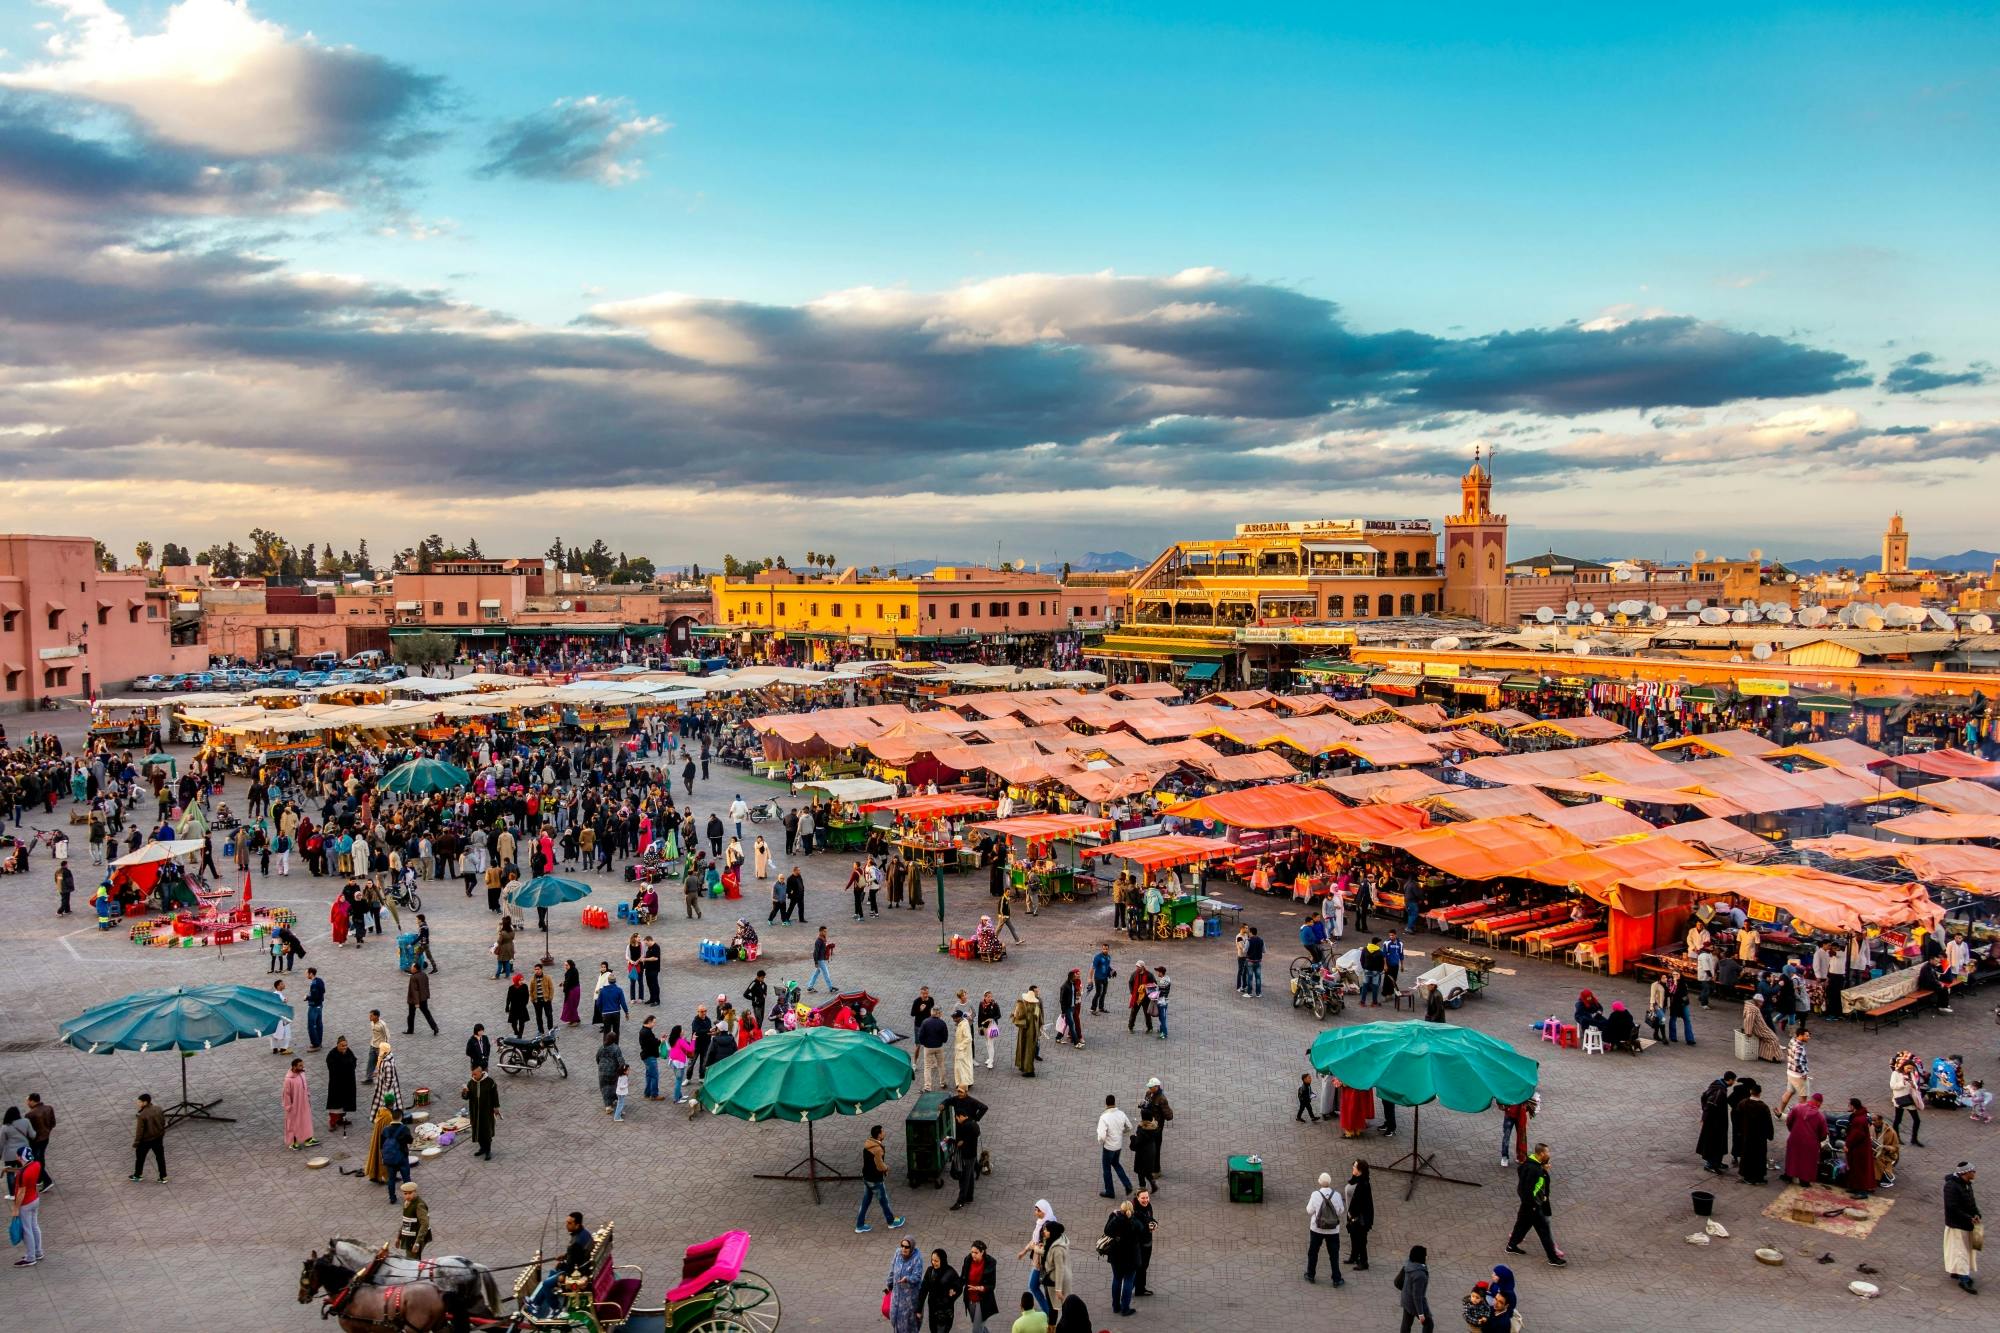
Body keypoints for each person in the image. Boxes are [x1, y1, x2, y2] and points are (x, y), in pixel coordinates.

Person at [1505, 1143, 1566, 1265]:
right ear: (1541, 1154)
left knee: (1522, 1225)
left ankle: (1511, 1246)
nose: (1549, 1154)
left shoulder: (1529, 1164)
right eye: (1547, 1152)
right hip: (1533, 1205)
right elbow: (1528, 1189)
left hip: (1527, 1204)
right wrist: (1533, 1203)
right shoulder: (1536, 1170)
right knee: (1544, 1231)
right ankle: (1553, 1258)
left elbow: (1522, 1175)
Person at [855, 1124, 904, 1233]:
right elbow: (879, 1165)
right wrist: (886, 1168)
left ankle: (859, 1225)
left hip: (867, 1177)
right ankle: (891, 1222)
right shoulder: (877, 1149)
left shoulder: (868, 1144)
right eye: (883, 1132)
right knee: (884, 1201)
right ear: (878, 1135)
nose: (884, 1133)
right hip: (875, 1179)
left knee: (865, 1202)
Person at [1305, 1169, 1346, 1285]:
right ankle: (1336, 1279)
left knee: (1313, 1252)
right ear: (1330, 1182)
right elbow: (1340, 1211)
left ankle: (1311, 1274)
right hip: (1333, 1230)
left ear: (1319, 1182)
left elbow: (1309, 1211)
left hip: (1316, 1229)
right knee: (1334, 1255)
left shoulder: (1315, 1194)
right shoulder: (1337, 1195)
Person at [1944, 1162, 1981, 1295]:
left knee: (1964, 1249)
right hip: (1957, 1225)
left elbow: (1972, 1202)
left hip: (1968, 1223)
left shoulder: (1966, 1184)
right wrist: (1968, 1218)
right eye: (1973, 1171)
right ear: (1966, 1172)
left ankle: (1956, 1272)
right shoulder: (1951, 1187)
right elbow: (1952, 1207)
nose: (1975, 1173)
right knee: (1961, 1252)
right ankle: (1964, 1279)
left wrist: (1977, 1214)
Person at [1101, 1199, 1140, 1316]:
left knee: (1117, 1279)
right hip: (1131, 1257)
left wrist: (1112, 1215)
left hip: (1116, 1256)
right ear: (1131, 1210)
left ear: (1121, 1210)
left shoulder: (1115, 1220)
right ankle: (1125, 1308)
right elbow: (1142, 1230)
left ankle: (1115, 1306)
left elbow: (1106, 1231)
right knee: (1128, 1281)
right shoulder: (1134, 1221)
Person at [1732, 1083, 1774, 1186]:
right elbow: (1768, 1123)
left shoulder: (1743, 1103)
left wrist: (1738, 1130)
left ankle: (1748, 1176)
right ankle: (1759, 1176)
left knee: (1747, 1155)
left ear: (1751, 1092)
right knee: (1759, 1157)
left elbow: (1736, 1117)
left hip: (1747, 1135)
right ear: (1759, 1093)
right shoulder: (1763, 1107)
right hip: (1760, 1137)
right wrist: (1770, 1135)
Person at [1781, 1092, 1827, 1184]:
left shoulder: (1797, 1107)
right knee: (1807, 1162)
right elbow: (1823, 1134)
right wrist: (1818, 1140)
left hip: (1795, 1139)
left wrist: (1793, 1131)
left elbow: (1789, 1121)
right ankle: (1804, 1181)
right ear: (1818, 1103)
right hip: (1810, 1143)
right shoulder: (1820, 1116)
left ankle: (1789, 1176)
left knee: (1793, 1158)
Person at [9, 1146, 42, 1267]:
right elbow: (23, 1170)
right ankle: (38, 1252)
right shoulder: (36, 1165)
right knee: (34, 1227)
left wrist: (15, 1209)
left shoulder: (22, 1174)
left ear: (19, 1157)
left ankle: (30, 1257)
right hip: (35, 1199)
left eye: (17, 1155)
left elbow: (21, 1192)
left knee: (27, 1231)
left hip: (26, 1204)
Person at [1697, 1072, 1737, 1174]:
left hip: (1718, 1121)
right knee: (1714, 1143)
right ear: (1730, 1080)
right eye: (1733, 1080)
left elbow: (1704, 1096)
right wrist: (1705, 1117)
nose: (1734, 1082)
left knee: (1719, 1142)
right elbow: (1711, 1104)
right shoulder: (1720, 1091)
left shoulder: (1718, 1085)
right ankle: (1710, 1164)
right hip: (1714, 1123)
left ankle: (1717, 1162)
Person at [917, 1247, 964, 1333]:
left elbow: (959, 1286)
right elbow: (923, 1291)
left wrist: (953, 1293)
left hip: (945, 1311)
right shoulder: (930, 1271)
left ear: (942, 1260)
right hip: (933, 1309)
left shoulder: (950, 1272)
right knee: (933, 1330)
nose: (933, 1263)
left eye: (936, 1261)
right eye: (932, 1260)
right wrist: (919, 1309)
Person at [960, 1240, 1000, 1333]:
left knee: (976, 1330)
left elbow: (992, 1285)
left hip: (983, 1300)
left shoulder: (990, 1263)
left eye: (976, 1253)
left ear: (982, 1252)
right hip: (970, 1299)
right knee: (978, 1326)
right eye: (972, 1252)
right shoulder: (968, 1260)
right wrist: (954, 1288)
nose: (973, 1255)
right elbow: (962, 1278)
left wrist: (981, 1288)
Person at [462, 1064, 500, 1159]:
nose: (473, 1076)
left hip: (486, 1111)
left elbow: (495, 1095)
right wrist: (465, 1092)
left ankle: (488, 1151)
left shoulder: (489, 1082)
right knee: (477, 1130)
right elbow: (466, 1097)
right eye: (472, 1074)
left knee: (486, 1131)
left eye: (475, 1074)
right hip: (475, 1112)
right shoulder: (471, 1083)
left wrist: (496, 1107)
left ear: (480, 1072)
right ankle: (482, 1148)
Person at [1843, 1098, 1878, 1197]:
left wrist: (1847, 1144)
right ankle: (1855, 1187)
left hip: (1859, 1149)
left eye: (1849, 1105)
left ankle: (1862, 1192)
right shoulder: (1860, 1116)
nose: (1848, 1107)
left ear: (1853, 1106)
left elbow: (1856, 1134)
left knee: (1859, 1169)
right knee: (1855, 1168)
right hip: (1859, 1147)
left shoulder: (1858, 1120)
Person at [1395, 1244, 1433, 1332]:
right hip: (1413, 1303)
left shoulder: (1408, 1264)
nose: (1426, 1257)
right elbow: (1417, 1296)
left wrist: (1406, 1290)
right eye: (1425, 1255)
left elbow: (1397, 1282)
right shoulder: (1420, 1275)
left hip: (1406, 1299)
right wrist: (1421, 1314)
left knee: (1406, 1323)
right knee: (1429, 1324)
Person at [282, 1057, 317, 1151]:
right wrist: (288, 1107)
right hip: (294, 1106)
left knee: (306, 1120)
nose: (302, 1067)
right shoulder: (288, 1079)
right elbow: (286, 1094)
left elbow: (306, 1086)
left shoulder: (302, 1074)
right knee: (293, 1123)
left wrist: (308, 1096)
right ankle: (293, 1142)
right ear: (294, 1067)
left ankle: (308, 1139)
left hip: (304, 1103)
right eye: (300, 1065)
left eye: (302, 1065)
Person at [1345, 1159, 1375, 1271]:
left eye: (1355, 1166)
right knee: (1353, 1236)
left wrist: (1353, 1215)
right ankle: (1353, 1257)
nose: (1353, 1167)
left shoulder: (1364, 1185)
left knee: (1361, 1240)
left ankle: (1364, 1262)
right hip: (1352, 1215)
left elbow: (1361, 1204)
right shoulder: (1356, 1180)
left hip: (1360, 1218)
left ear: (1360, 1170)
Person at [325, 1036, 358, 1135]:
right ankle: (333, 1122)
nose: (344, 1047)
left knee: (345, 1103)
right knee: (335, 1104)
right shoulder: (332, 1054)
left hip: (347, 1083)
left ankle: (341, 1119)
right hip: (337, 1084)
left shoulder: (349, 1052)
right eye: (342, 1045)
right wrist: (344, 1061)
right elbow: (333, 1067)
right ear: (337, 1045)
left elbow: (354, 1061)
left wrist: (347, 1061)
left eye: (346, 1045)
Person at [131, 1092, 166, 1182]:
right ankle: (163, 1177)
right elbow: (163, 1122)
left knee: (140, 1158)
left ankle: (138, 1175)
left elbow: (139, 1131)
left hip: (146, 1140)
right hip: (158, 1138)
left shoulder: (142, 1115)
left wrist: (136, 1143)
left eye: (139, 1102)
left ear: (145, 1102)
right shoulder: (158, 1109)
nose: (137, 1103)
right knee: (160, 1157)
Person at [1011, 987, 1042, 1078]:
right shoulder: (1036, 1007)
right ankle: (1025, 1067)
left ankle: (1029, 1070)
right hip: (1032, 1032)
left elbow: (1022, 1018)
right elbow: (1038, 1019)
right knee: (1028, 1050)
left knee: (1027, 1050)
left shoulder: (1027, 1007)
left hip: (1027, 1031)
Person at [1779, 1029, 1812, 1112]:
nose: (1809, 1037)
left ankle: (1779, 1111)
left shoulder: (1792, 1040)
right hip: (1798, 1076)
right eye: (1807, 1036)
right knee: (1803, 1098)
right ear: (1800, 1036)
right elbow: (1798, 1063)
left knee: (1789, 1092)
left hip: (1790, 1072)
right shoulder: (1799, 1047)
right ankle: (1798, 1115)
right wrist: (1804, 1073)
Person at [1739, 997, 1780, 1062]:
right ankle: (1774, 1057)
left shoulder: (1749, 1007)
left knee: (1772, 1038)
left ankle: (1765, 1055)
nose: (1762, 1004)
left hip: (1759, 1028)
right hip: (1760, 1029)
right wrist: (1748, 1032)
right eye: (1761, 1002)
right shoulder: (1753, 1009)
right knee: (1774, 1039)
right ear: (1757, 1002)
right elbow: (1749, 1020)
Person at [596, 1031, 625, 1115]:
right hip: (612, 1071)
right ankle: (614, 1100)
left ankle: (608, 1106)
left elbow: (597, 1058)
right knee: (613, 1087)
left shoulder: (601, 1047)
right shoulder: (616, 1048)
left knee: (604, 1088)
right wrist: (622, 1070)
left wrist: (601, 1066)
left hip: (602, 1071)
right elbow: (621, 1061)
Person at [406, 963, 438, 1035]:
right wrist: (427, 995)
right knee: (427, 1014)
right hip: (423, 998)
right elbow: (426, 986)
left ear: (415, 969)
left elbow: (415, 991)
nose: (411, 968)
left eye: (412, 967)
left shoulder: (413, 977)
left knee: (411, 1015)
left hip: (414, 1000)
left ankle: (410, 1030)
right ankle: (435, 1027)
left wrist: (416, 1003)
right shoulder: (424, 974)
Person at [808, 926, 835, 992]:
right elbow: (815, 952)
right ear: (820, 932)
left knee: (816, 973)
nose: (825, 933)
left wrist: (828, 946)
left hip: (821, 959)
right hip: (820, 960)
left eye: (826, 931)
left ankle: (810, 987)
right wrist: (816, 962)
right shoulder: (818, 941)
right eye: (824, 931)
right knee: (826, 973)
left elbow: (823, 947)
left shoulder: (823, 939)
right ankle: (830, 987)